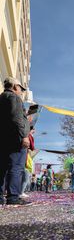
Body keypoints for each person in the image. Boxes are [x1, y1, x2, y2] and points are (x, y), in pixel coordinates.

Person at [0, 77, 30, 205]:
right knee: (16, 167)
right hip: (15, 140)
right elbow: (16, 119)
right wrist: (24, 135)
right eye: (20, 88)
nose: (21, 92)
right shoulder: (14, 98)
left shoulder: (1, 98)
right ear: (14, 87)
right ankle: (13, 197)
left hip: (3, 139)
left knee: (2, 168)